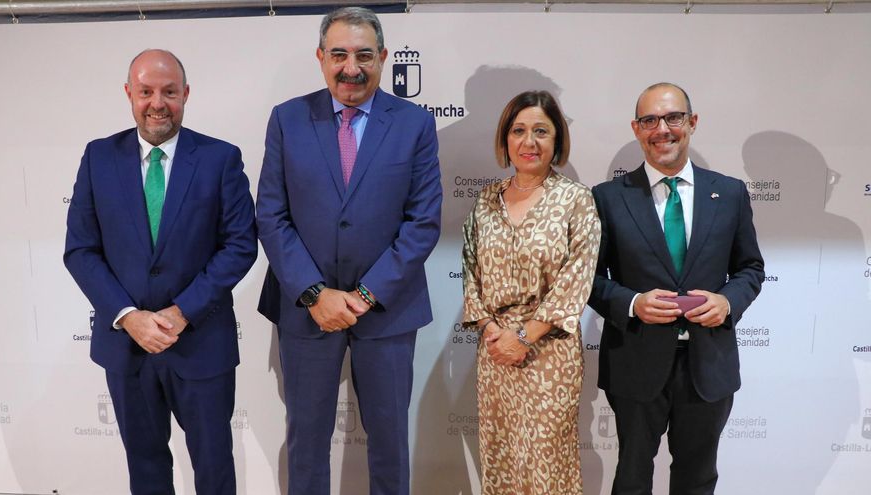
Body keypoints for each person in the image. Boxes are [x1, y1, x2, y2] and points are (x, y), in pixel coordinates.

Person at [255, 7, 442, 495]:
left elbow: (422, 224)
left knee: (389, 444)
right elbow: (271, 217)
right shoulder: (287, 119)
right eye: (338, 54)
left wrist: (363, 295)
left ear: (383, 58)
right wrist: (316, 293)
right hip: (305, 309)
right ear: (321, 58)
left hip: (387, 310)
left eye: (363, 55)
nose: (350, 67)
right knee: (306, 442)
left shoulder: (415, 124)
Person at [63, 49, 257, 494]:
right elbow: (80, 250)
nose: (157, 103)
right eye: (146, 91)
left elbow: (241, 244)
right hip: (126, 349)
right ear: (129, 93)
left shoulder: (220, 158)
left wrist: (181, 312)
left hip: (201, 344)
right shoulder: (98, 158)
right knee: (146, 470)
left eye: (169, 92)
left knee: (213, 469)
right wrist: (129, 317)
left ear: (185, 94)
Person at [589, 82, 764, 495]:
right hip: (635, 362)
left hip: (708, 364)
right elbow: (588, 280)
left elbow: (751, 268)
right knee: (631, 478)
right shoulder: (608, 198)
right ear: (636, 128)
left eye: (673, 118)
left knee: (697, 479)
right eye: (649, 120)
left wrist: (727, 301)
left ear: (692, 123)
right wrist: (631, 303)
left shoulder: (731, 193)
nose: (662, 129)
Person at [461, 90, 601, 494]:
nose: (529, 141)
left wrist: (523, 337)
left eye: (541, 131)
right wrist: (493, 331)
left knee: (546, 462)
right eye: (519, 131)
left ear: (557, 140)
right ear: (506, 139)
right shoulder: (486, 199)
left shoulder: (577, 200)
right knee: (500, 456)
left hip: (550, 353)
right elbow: (470, 272)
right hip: (495, 354)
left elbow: (577, 279)